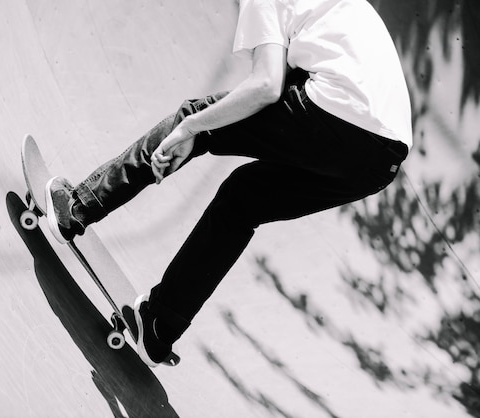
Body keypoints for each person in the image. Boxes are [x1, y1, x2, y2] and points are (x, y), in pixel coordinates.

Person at [44, 0, 413, 368]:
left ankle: (77, 208)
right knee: (244, 199)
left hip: (334, 111)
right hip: (383, 161)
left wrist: (192, 127)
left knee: (195, 118)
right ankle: (158, 326)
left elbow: (267, 86)